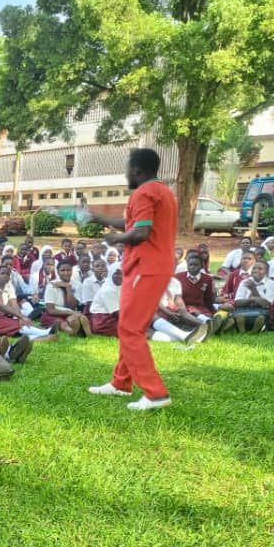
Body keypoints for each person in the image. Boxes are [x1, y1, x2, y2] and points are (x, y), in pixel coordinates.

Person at [86, 148, 176, 410]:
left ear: (137, 170)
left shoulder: (144, 193)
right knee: (130, 324)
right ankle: (120, 382)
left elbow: (140, 232)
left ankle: (156, 393)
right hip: (152, 266)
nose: (126, 173)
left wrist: (115, 239)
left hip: (145, 268)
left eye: (128, 168)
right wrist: (97, 217)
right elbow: (132, 222)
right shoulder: (163, 192)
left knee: (129, 330)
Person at [42, 260, 91, 336]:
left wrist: (68, 289)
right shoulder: (52, 285)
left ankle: (78, 328)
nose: (66, 273)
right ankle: (73, 331)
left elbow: (72, 306)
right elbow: (50, 310)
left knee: (73, 319)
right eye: (63, 270)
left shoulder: (78, 285)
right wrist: (71, 312)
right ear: (58, 272)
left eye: (68, 270)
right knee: (61, 322)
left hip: (70, 311)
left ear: (72, 271)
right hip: (55, 313)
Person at [230, 260, 274, 333]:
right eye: (254, 268)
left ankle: (256, 328)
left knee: (264, 316)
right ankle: (243, 327)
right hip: (245, 309)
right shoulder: (244, 282)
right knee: (239, 315)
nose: (256, 270)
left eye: (260, 269)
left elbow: (266, 304)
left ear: (266, 272)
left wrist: (253, 289)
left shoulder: (272, 284)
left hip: (262, 310)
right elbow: (237, 302)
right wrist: (251, 299)